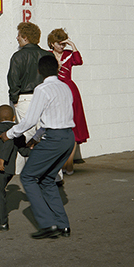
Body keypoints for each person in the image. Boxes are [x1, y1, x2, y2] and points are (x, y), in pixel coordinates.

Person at [1, 55, 75, 239]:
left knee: (28, 177)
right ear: (57, 69)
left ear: (39, 71)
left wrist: (9, 134)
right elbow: (54, 117)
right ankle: (63, 225)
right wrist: (36, 137)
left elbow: (30, 120)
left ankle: (47, 223)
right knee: (48, 179)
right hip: (68, 138)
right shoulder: (65, 87)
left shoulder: (42, 89)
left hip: (54, 140)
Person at [7, 22, 53, 173]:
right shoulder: (47, 55)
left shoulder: (18, 56)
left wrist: (14, 99)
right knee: (45, 134)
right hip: (45, 96)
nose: (17, 38)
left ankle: (28, 171)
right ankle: (52, 172)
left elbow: (13, 80)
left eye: (19, 35)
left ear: (25, 37)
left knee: (25, 135)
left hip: (24, 98)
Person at [48, 29, 90, 175]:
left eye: (63, 43)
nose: (61, 46)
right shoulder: (47, 55)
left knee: (73, 127)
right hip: (54, 90)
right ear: (52, 43)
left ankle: (69, 163)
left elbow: (78, 61)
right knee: (58, 127)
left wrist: (72, 45)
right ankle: (60, 163)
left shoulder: (68, 54)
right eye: (59, 44)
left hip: (70, 90)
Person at [0, 104, 27, 231]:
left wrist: (2, 159)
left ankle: (2, 221)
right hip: (9, 169)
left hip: (0, 166)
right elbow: (23, 150)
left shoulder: (0, 127)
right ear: (13, 117)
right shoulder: (17, 130)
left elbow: (7, 142)